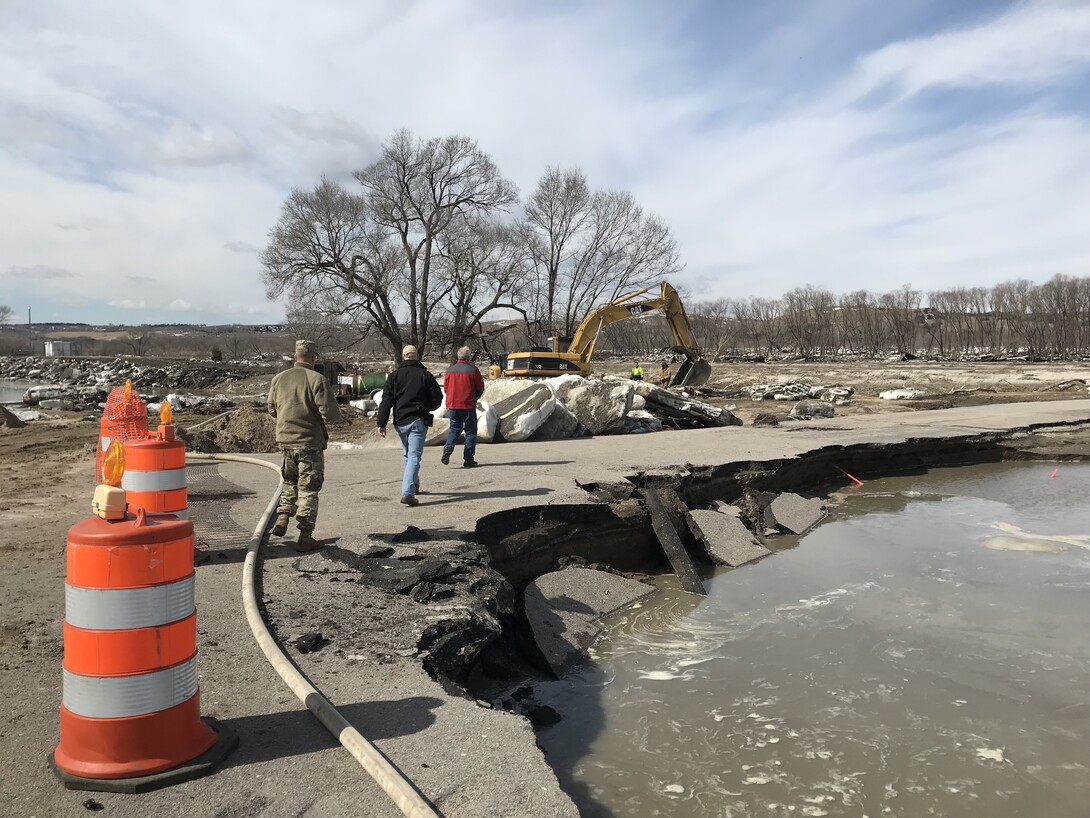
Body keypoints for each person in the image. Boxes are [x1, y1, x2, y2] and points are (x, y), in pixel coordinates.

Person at [267, 339, 341, 551]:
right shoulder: (317, 379)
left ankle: (282, 518)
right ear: (314, 358)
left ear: (294, 356)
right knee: (309, 487)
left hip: (285, 441)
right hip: (308, 442)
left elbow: (272, 409)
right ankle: (305, 535)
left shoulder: (278, 379)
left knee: (290, 481)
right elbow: (329, 412)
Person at [376, 345, 443, 507]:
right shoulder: (425, 375)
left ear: (403, 356)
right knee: (414, 456)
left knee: (408, 454)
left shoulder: (394, 376)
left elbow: (386, 401)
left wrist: (381, 423)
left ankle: (413, 484)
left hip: (400, 421)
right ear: (417, 356)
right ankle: (408, 492)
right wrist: (428, 407)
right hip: (418, 420)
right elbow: (437, 398)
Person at [441, 346, 486, 469]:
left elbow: (446, 387)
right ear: (468, 357)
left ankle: (448, 448)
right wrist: (475, 397)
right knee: (470, 432)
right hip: (468, 405)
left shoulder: (450, 370)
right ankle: (468, 459)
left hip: (453, 405)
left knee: (454, 429)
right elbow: (480, 387)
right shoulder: (473, 370)